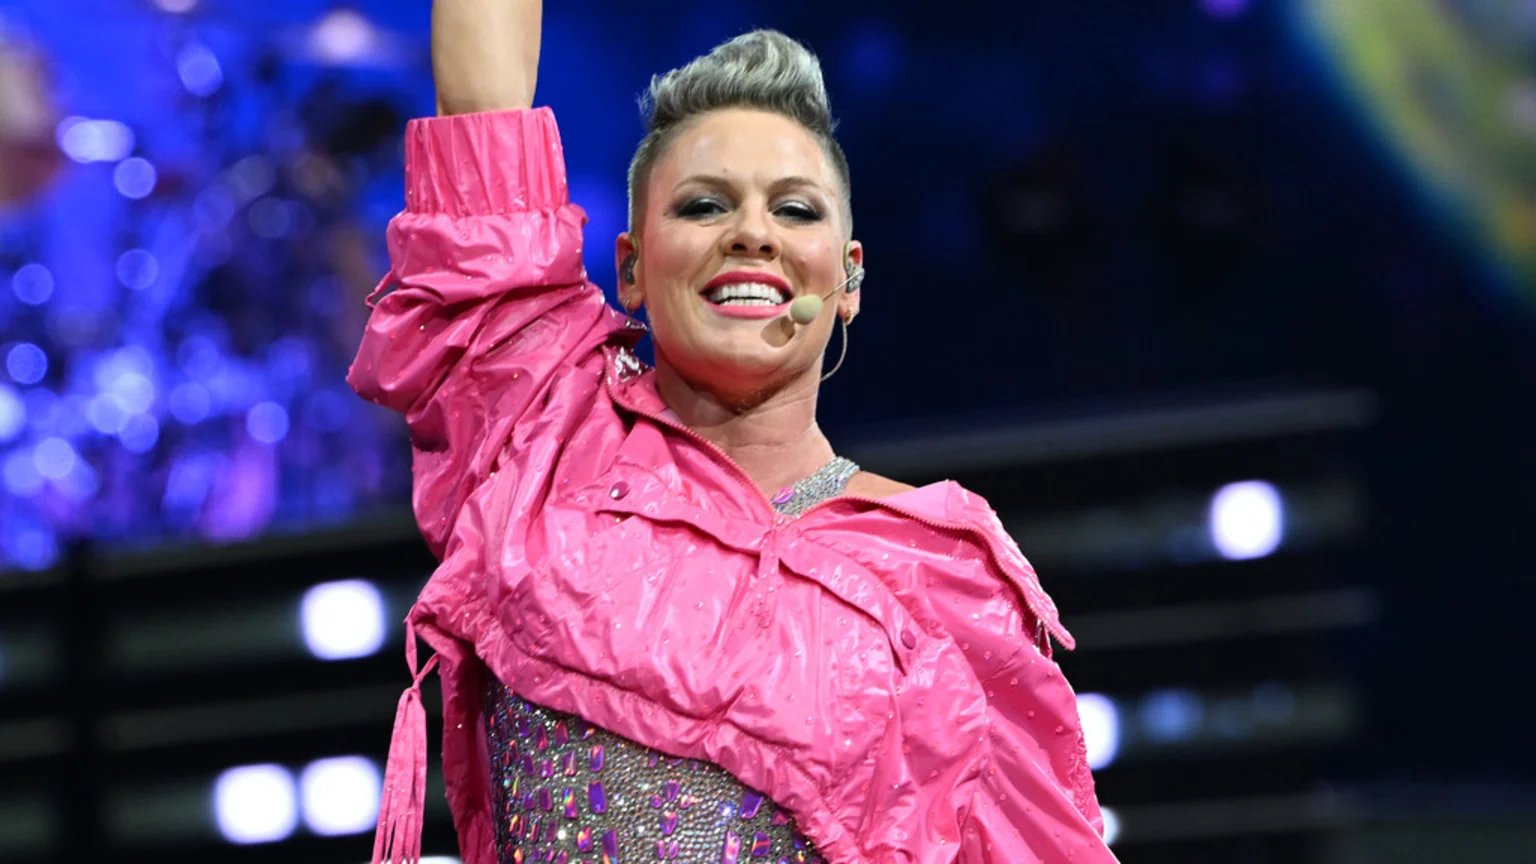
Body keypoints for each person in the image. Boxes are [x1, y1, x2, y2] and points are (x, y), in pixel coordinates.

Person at [349, 2, 1117, 862]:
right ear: (632, 268)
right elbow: (481, 127)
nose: (753, 233)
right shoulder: (540, 433)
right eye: (706, 205)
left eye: (794, 211)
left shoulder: (942, 578)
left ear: (849, 275)